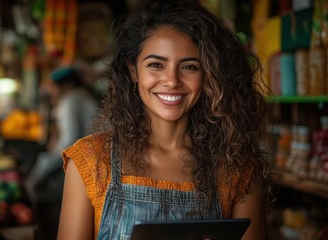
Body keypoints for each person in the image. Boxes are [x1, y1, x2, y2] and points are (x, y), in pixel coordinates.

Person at [57, 1, 272, 240]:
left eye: (189, 66)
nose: (172, 81)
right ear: (133, 71)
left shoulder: (237, 168)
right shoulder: (91, 160)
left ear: (210, 75)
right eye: (156, 65)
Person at [25, 66, 99, 240]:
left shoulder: (71, 101)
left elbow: (68, 144)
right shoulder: (83, 97)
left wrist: (36, 176)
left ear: (64, 86)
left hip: (87, 170)